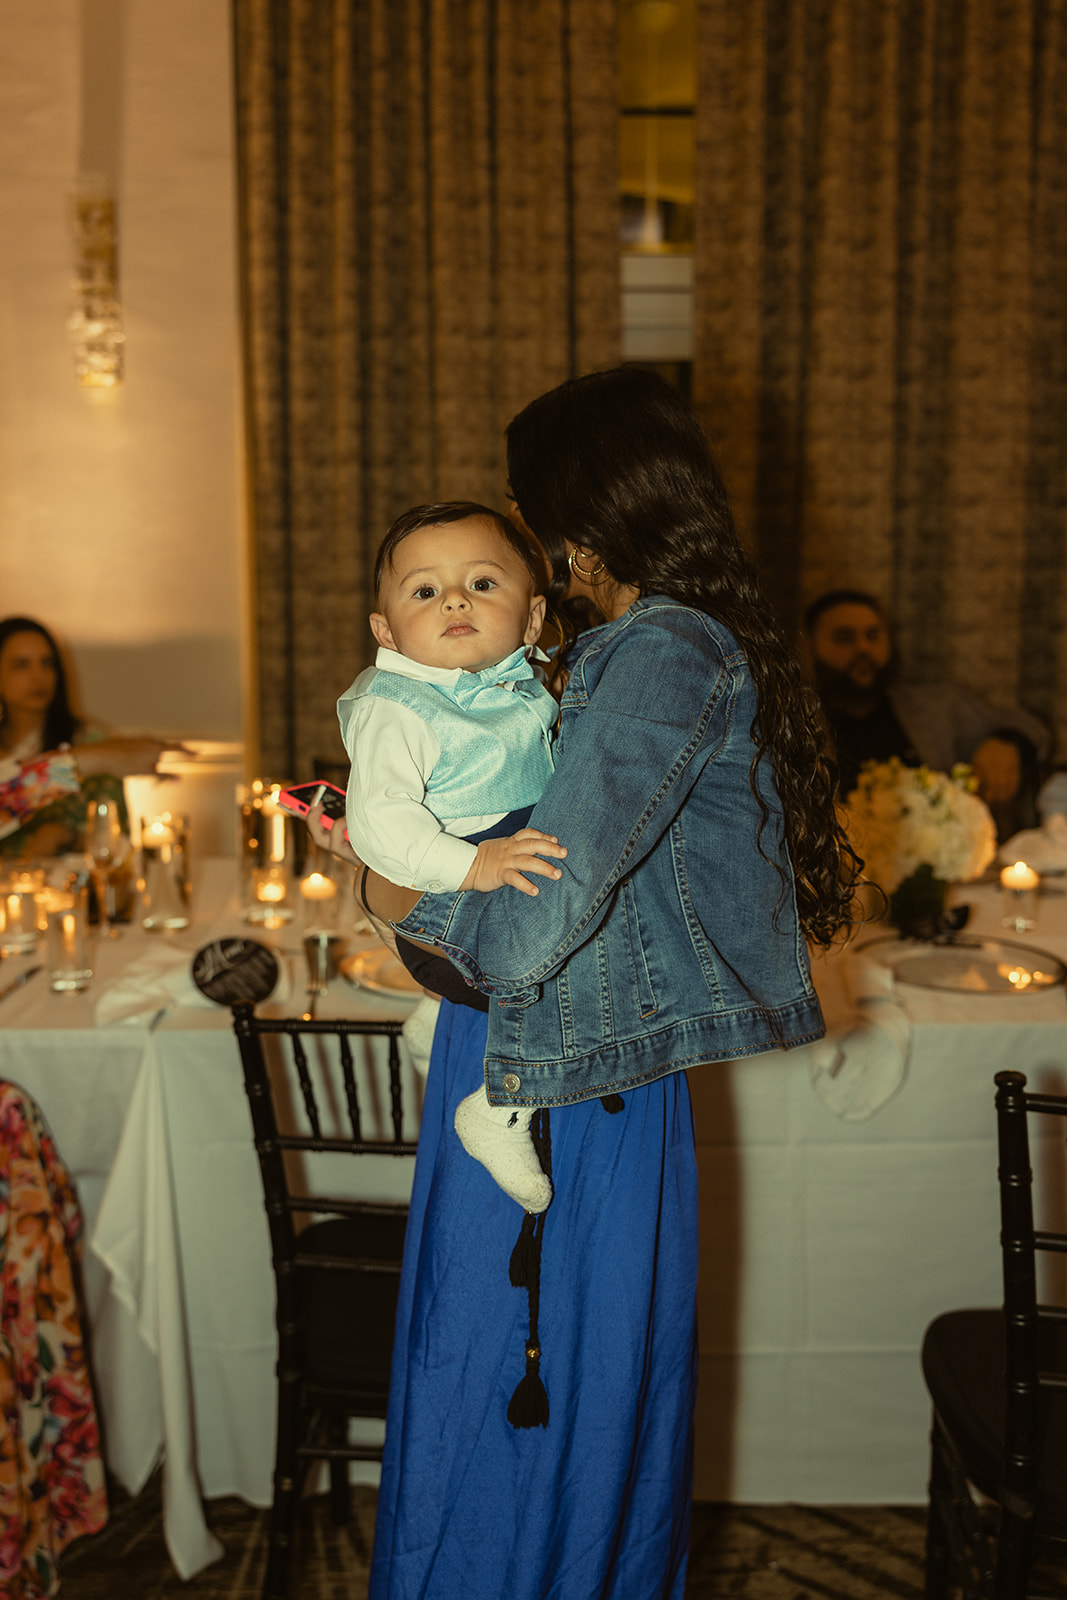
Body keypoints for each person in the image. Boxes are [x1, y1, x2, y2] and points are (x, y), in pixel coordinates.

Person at [312, 366, 856, 1600]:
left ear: (574, 519)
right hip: (543, 1058)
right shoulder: (623, 649)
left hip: (568, 1079)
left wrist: (381, 889)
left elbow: (525, 928)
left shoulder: (658, 652)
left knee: (524, 1386)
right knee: (513, 1369)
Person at [338, 501, 566, 1212]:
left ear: (531, 620)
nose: (456, 600)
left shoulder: (523, 682)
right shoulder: (396, 705)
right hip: (454, 901)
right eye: (425, 591)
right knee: (575, 975)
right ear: (386, 630)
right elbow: (377, 823)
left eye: (482, 583)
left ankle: (432, 1021)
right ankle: (496, 1110)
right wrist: (476, 866)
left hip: (500, 876)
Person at [803, 590, 1050, 833]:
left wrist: (1009, 743)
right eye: (844, 638)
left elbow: (1035, 729)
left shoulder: (936, 706)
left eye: (873, 635)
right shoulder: (797, 720)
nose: (862, 648)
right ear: (811, 647)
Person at [0, 615, 188, 858]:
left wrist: (66, 836)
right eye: (21, 665)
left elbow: (119, 845)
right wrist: (90, 760)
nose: (38, 676)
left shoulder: (92, 738)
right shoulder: (96, 750)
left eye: (48, 663)